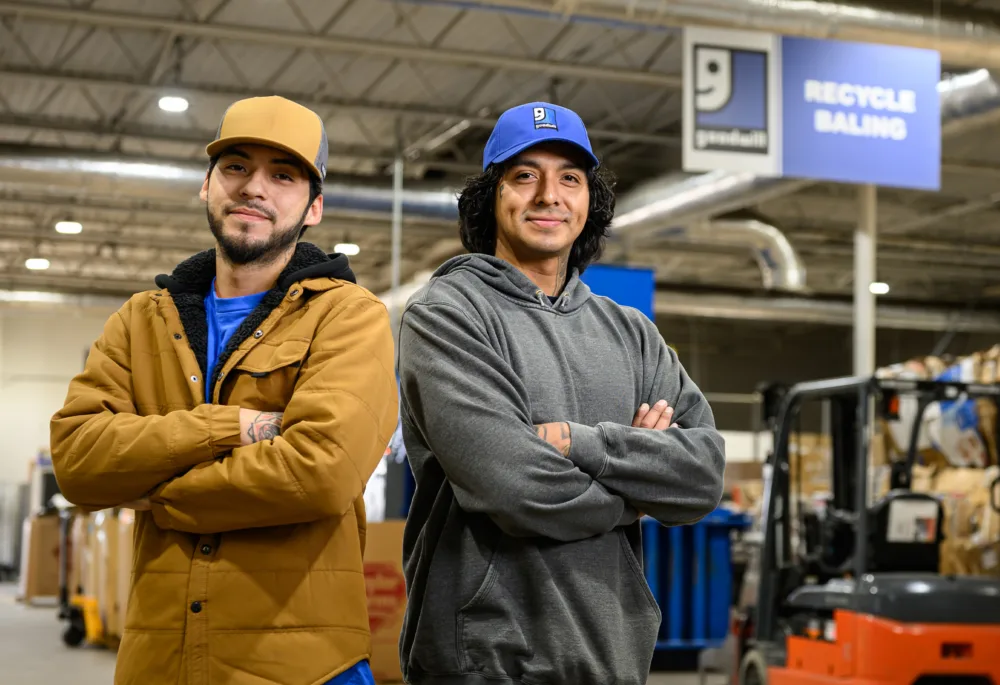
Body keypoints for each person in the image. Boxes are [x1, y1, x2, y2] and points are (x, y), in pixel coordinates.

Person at [50, 95, 398, 685]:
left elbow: (321, 472)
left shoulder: (347, 316)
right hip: (159, 665)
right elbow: (78, 464)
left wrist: (156, 494)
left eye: (282, 175)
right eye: (236, 167)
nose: (254, 188)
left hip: (301, 667)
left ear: (313, 207)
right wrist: (231, 427)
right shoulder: (140, 321)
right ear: (207, 186)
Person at [395, 102, 726, 685]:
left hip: (613, 655)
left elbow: (702, 475)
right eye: (524, 176)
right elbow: (515, 488)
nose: (549, 194)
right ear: (491, 198)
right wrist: (636, 492)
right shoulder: (448, 314)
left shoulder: (631, 333)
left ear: (587, 203)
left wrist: (581, 443)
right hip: (486, 659)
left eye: (569, 178)